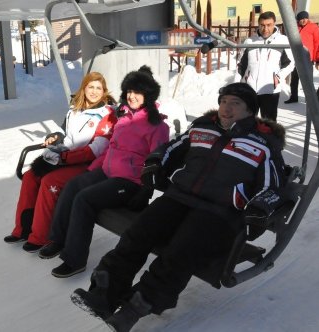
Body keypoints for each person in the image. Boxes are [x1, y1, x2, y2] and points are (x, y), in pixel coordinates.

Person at [71, 82, 287, 332]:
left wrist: (259, 208)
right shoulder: (203, 128)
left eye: (235, 104)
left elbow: (274, 185)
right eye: (223, 102)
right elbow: (169, 149)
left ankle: (135, 308)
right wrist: (154, 163)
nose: (226, 109)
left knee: (180, 252)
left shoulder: (263, 144)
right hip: (179, 198)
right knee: (138, 234)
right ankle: (104, 293)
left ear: (250, 111)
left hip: (220, 212)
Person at [38, 65, 170, 278]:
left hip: (129, 182)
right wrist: (90, 171)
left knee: (84, 199)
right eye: (129, 91)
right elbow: (110, 148)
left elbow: (159, 160)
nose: (132, 96)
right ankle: (58, 239)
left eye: (137, 92)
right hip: (107, 172)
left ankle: (74, 259)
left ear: (148, 95)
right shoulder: (124, 118)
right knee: (73, 186)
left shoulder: (157, 126)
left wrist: (146, 189)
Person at [4, 72, 117, 252]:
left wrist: (66, 158)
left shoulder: (107, 115)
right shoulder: (74, 110)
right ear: (84, 88)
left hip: (86, 163)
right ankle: (23, 229)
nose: (94, 92)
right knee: (30, 177)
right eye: (91, 87)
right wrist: (55, 137)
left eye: (98, 88)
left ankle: (41, 236)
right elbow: (64, 134)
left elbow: (97, 149)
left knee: (50, 182)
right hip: (66, 158)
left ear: (104, 91)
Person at [237, 11, 295, 121]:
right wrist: (241, 83)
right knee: (246, 121)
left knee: (269, 124)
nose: (265, 29)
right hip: (250, 89)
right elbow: (241, 64)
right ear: (258, 25)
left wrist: (278, 77)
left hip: (270, 90)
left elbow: (290, 63)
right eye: (262, 25)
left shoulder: (282, 41)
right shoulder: (249, 41)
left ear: (274, 24)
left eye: (269, 25)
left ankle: (268, 139)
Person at [285, 11, 319, 104]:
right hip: (296, 57)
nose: (303, 20)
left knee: (308, 79)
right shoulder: (295, 27)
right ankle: (294, 96)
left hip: (308, 57)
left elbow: (317, 43)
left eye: (305, 18)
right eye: (301, 19)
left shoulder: (314, 27)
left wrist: (317, 59)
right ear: (298, 20)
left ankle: (310, 98)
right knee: (294, 78)